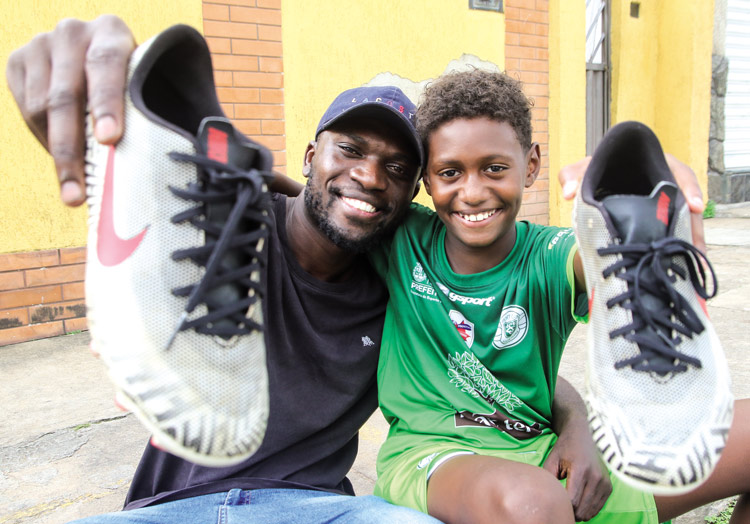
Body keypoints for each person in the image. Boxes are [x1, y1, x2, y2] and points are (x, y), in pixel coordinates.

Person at [5, 17, 618, 523]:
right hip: (168, 508)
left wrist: (578, 420)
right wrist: (109, 104)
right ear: (311, 154)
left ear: (415, 195)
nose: (371, 176)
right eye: (350, 150)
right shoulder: (228, 230)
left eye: (399, 168)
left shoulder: (402, 272)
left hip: (317, 510)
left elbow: (488, 365)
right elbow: (151, 194)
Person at [368, 69, 750, 524]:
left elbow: (589, 259)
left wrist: (632, 216)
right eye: (450, 172)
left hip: (552, 455)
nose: (472, 192)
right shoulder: (402, 237)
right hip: (435, 458)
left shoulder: (547, 255)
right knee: (533, 503)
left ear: (530, 164)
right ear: (426, 180)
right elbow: (311, 213)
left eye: (494, 168)